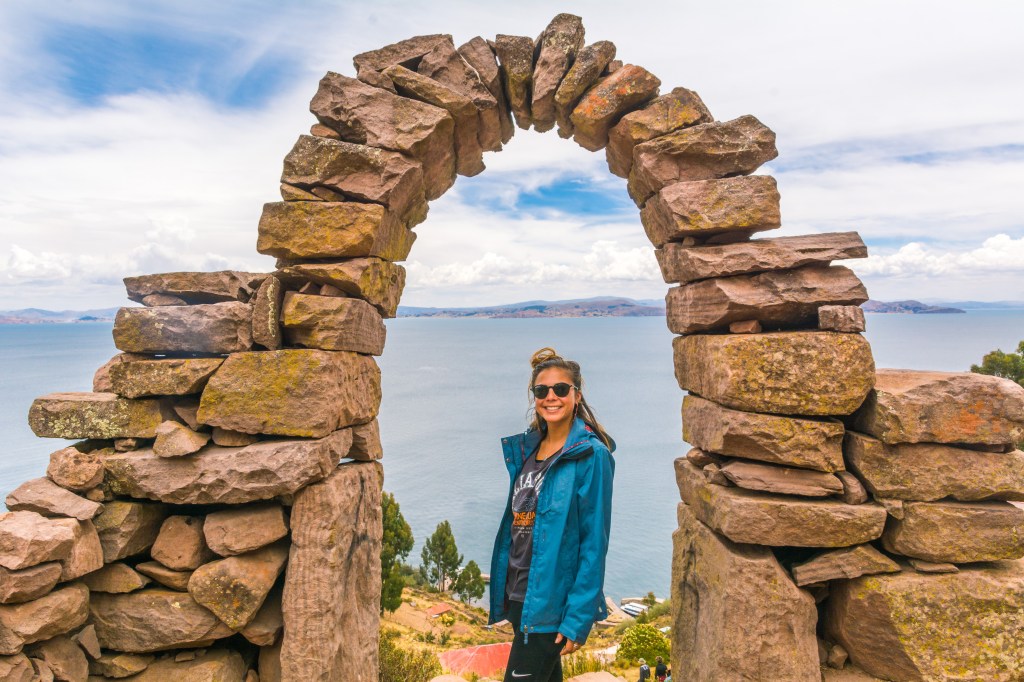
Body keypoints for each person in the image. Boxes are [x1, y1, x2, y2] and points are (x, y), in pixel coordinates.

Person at [489, 347, 615, 682]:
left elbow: (594, 545)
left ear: (576, 394)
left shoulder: (591, 455)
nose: (551, 397)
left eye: (561, 389)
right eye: (542, 391)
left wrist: (577, 618)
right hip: (520, 598)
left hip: (551, 606)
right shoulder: (529, 450)